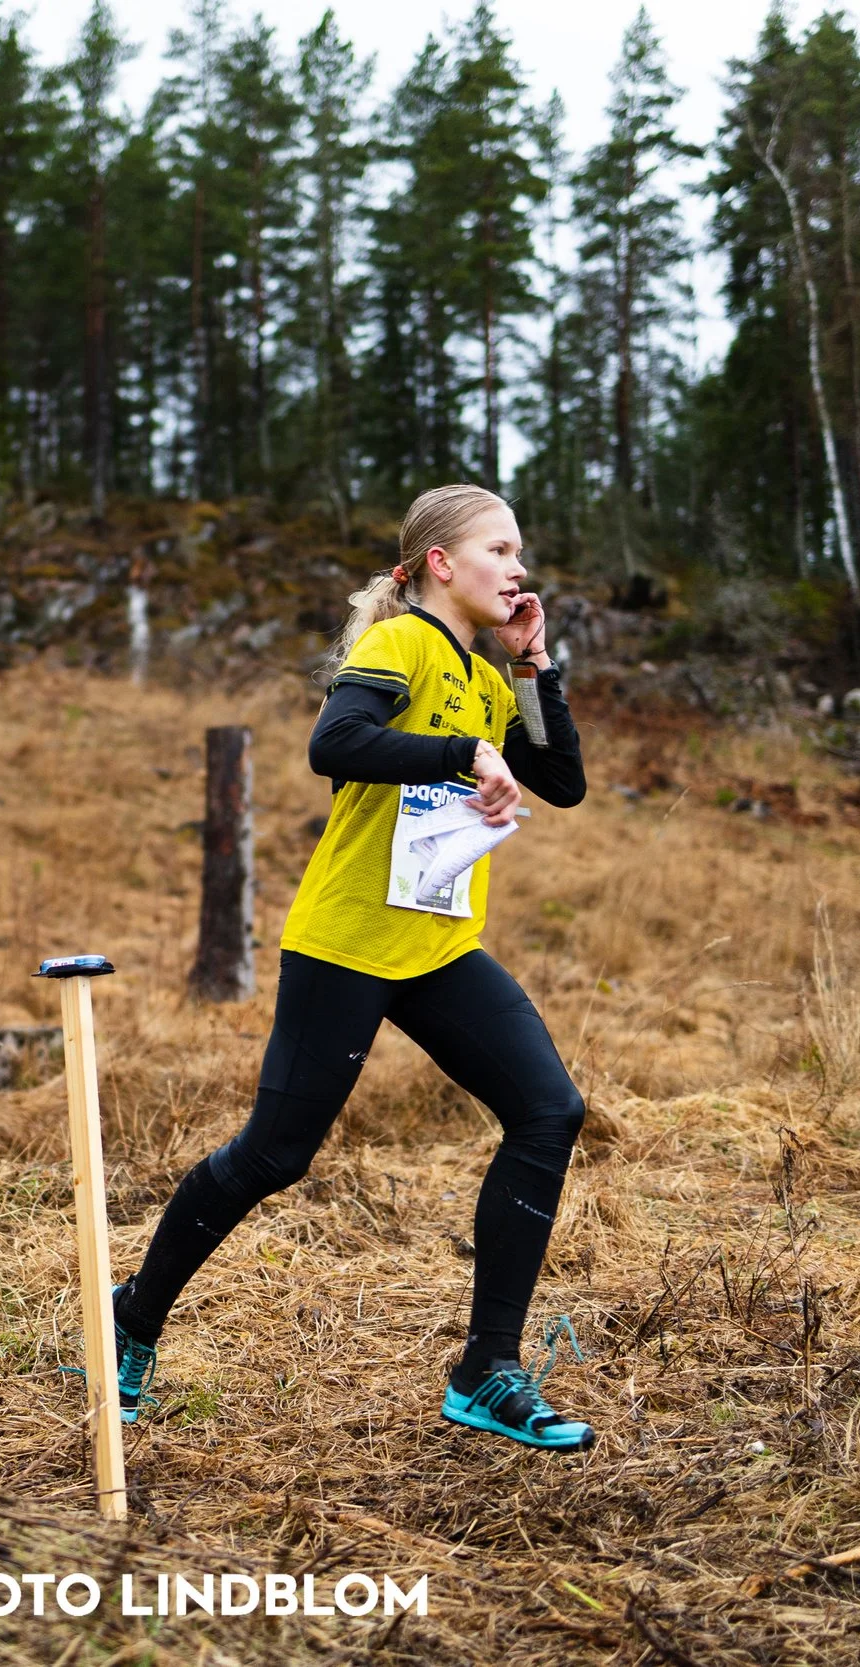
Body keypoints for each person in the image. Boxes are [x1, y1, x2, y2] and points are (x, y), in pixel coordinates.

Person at [111, 483, 596, 1451]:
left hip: (435, 945)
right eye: (499, 550)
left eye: (522, 556)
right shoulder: (400, 643)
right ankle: (128, 1314)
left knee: (549, 1110)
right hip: (343, 943)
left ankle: (485, 1370)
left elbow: (564, 782)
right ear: (439, 566)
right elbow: (333, 743)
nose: (517, 569)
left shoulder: (488, 677)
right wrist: (463, 752)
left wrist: (534, 665)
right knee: (273, 1156)